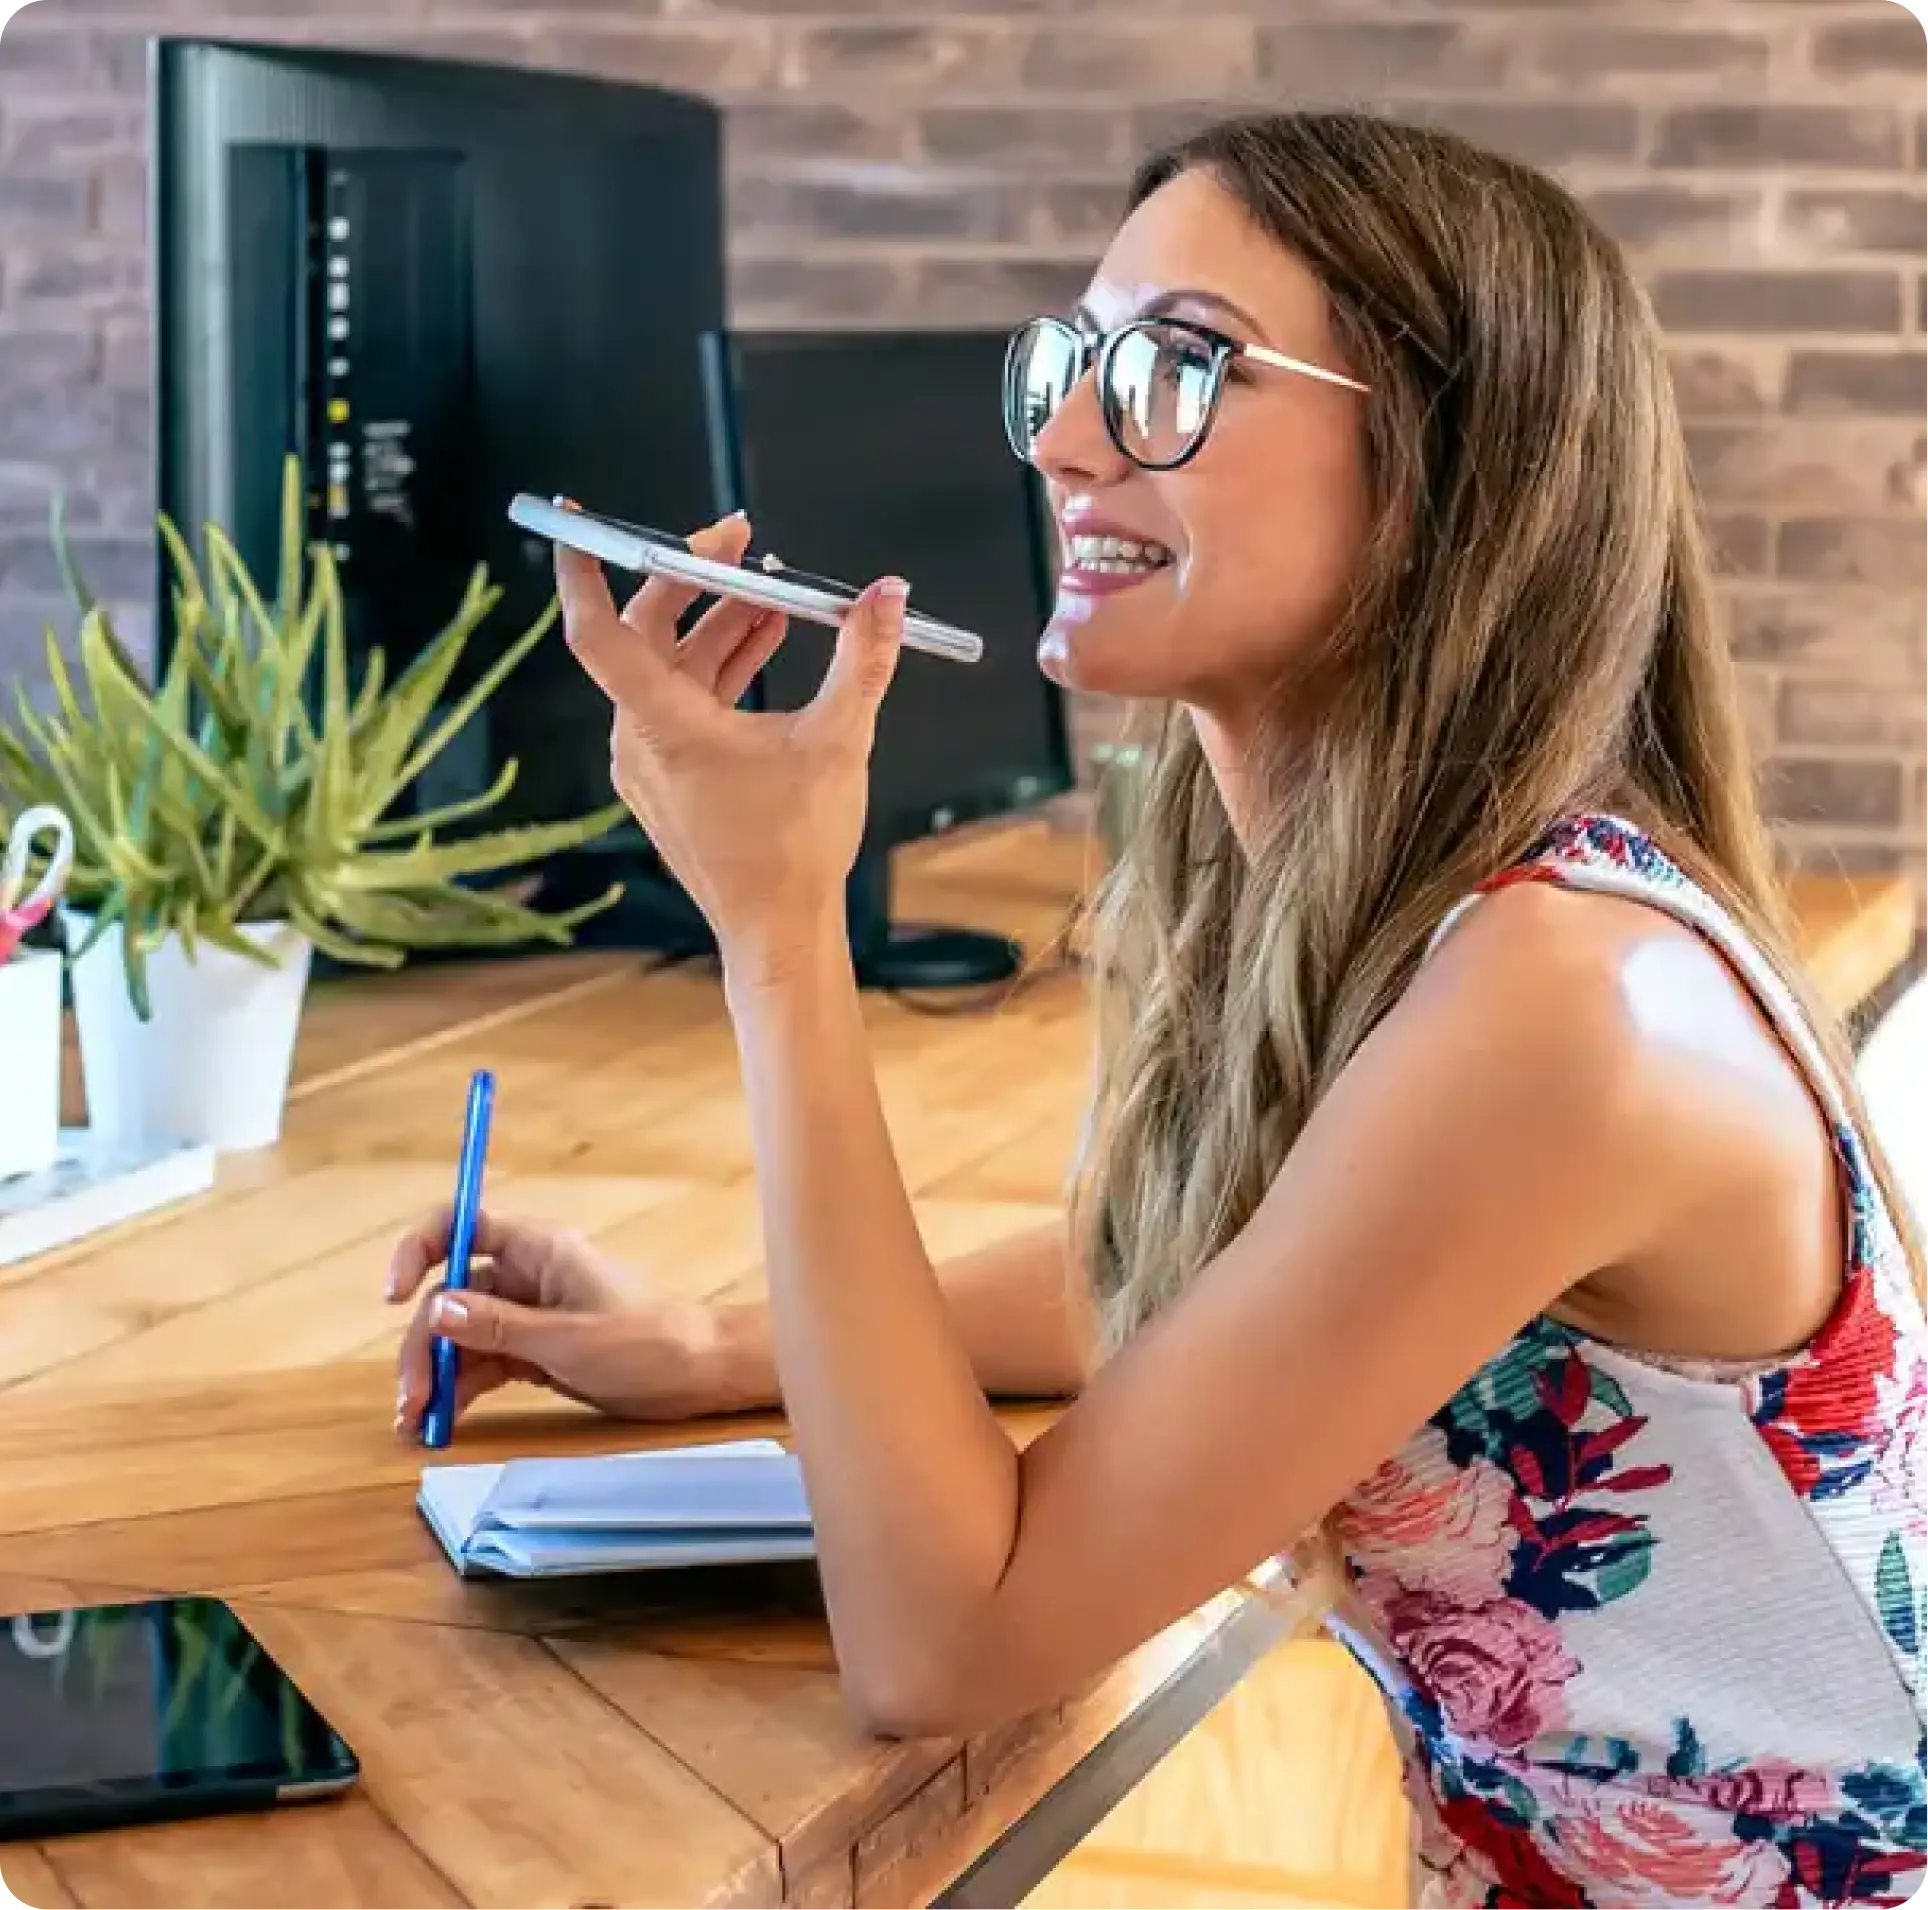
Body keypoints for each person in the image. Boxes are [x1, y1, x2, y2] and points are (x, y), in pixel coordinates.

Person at [385, 110, 1928, 1907]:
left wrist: (778, 924)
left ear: (1447, 461)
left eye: (1177, 368)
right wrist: (725, 1345)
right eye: (1071, 365)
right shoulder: (1386, 906)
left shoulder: (1565, 1004)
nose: (1058, 438)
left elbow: (946, 1645)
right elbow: (1264, 1276)